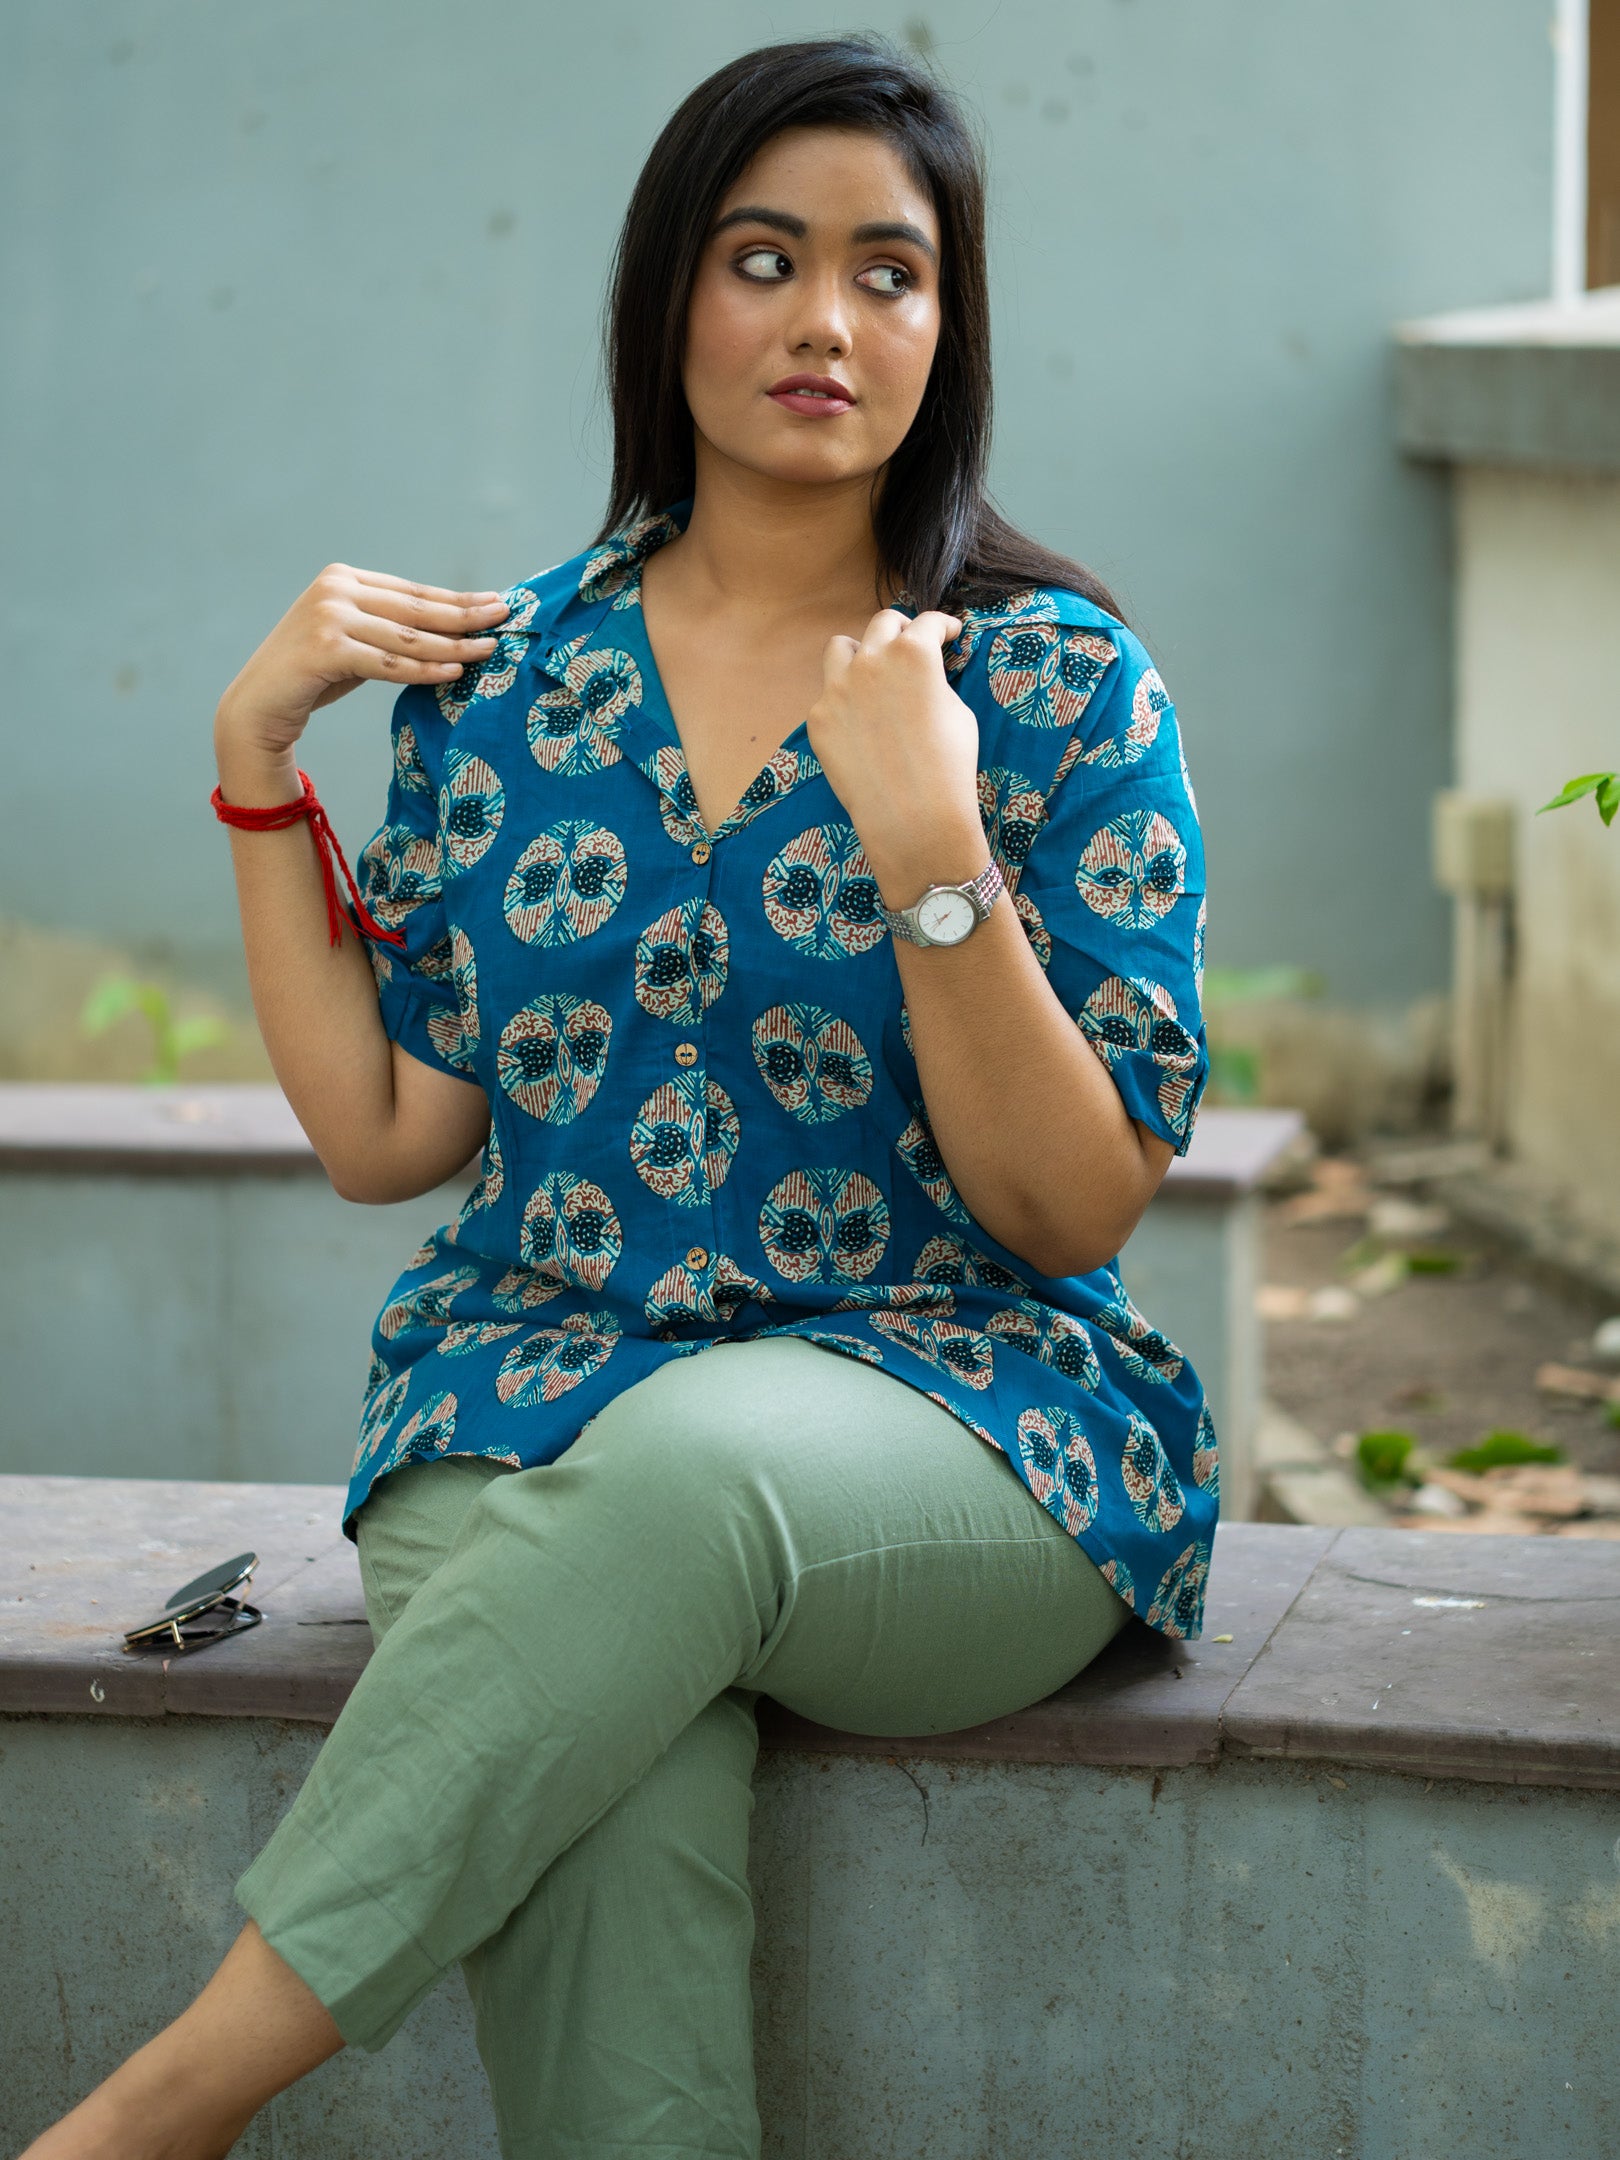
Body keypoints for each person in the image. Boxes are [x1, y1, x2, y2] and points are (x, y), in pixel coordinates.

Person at [28, 35, 1213, 2160]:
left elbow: (1071, 1213)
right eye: (766, 260)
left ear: (952, 331)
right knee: (612, 1788)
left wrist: (931, 846)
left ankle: (145, 2119)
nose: (829, 321)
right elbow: (394, 1138)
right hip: (519, 1403)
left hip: (972, 1424)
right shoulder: (513, 682)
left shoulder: (1044, 682)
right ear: (670, 295)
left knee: (674, 1485)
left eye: (892, 272)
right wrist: (253, 768)